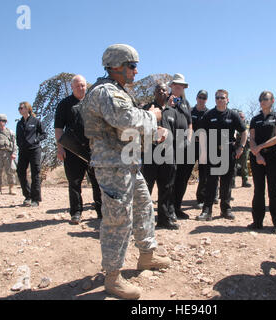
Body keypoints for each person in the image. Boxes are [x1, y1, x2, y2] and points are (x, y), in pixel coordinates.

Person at [82, 44, 170, 300]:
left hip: (127, 163)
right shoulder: (106, 92)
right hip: (113, 166)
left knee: (143, 206)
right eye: (132, 66)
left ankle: (147, 256)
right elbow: (127, 120)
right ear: (116, 66)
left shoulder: (118, 91)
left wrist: (152, 133)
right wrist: (153, 115)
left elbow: (126, 128)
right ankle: (112, 277)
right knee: (118, 220)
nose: (136, 70)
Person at [54, 75, 103, 225]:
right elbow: (58, 128)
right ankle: (76, 213)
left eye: (82, 85)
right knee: (74, 182)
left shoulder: (93, 102)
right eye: (77, 86)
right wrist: (60, 148)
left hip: (93, 149)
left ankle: (101, 212)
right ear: (72, 88)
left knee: (97, 181)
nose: (80, 88)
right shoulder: (64, 104)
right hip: (72, 149)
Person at [196, 89, 247, 221]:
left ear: (227, 100)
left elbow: (244, 132)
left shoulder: (233, 115)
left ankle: (226, 209)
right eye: (217, 97)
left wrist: (240, 148)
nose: (220, 100)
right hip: (212, 151)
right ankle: (207, 211)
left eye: (222, 98)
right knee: (211, 182)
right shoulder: (209, 114)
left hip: (228, 151)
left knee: (226, 182)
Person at [142, 83, 179, 230]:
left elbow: (176, 134)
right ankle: (142, 221)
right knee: (146, 189)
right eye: (158, 90)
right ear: (154, 93)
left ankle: (164, 219)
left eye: (164, 90)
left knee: (167, 188)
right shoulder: (147, 109)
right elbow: (141, 129)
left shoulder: (172, 112)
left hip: (168, 156)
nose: (161, 92)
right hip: (150, 154)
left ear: (168, 93)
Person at [248, 91, 276, 234]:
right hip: (257, 158)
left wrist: (260, 147)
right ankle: (257, 221)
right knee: (258, 190)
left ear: (272, 100)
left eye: (265, 99)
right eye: (260, 99)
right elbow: (252, 138)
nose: (262, 101)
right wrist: (257, 154)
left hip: (273, 157)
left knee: (274, 191)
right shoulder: (255, 119)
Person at [168, 74, 193, 220]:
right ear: (171, 85)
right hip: (170, 145)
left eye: (181, 85)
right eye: (176, 84)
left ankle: (177, 208)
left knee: (182, 179)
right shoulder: (166, 100)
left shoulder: (186, 103)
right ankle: (168, 210)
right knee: (170, 178)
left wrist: (189, 139)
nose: (179, 87)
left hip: (184, 145)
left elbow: (190, 123)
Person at [16, 102, 46, 207]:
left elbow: (44, 134)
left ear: (28, 109)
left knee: (35, 174)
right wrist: (19, 144)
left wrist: (36, 140)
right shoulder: (19, 123)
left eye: (21, 108)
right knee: (20, 172)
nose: (19, 110)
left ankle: (35, 199)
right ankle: (27, 196)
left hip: (34, 150)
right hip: (23, 151)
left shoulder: (36, 121)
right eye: (19, 108)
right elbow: (18, 137)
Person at [187, 90, 209, 209]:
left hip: (203, 147)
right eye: (200, 97)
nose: (202, 99)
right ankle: (176, 199)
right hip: (190, 147)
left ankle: (201, 199)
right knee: (185, 173)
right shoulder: (190, 111)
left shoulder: (209, 113)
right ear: (196, 98)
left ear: (206, 99)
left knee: (204, 174)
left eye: (204, 98)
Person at [0, 114, 17, 196]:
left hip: (8, 154)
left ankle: (11, 188)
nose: (1, 123)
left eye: (3, 121)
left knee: (10, 171)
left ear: (6, 122)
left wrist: (14, 153)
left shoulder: (10, 132)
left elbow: (14, 143)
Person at [233, 111, 251, 188]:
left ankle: (245, 181)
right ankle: (232, 182)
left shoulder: (247, 125)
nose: (241, 118)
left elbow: (249, 135)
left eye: (242, 117)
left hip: (245, 147)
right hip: (235, 146)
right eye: (239, 117)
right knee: (233, 165)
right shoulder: (234, 125)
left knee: (244, 165)